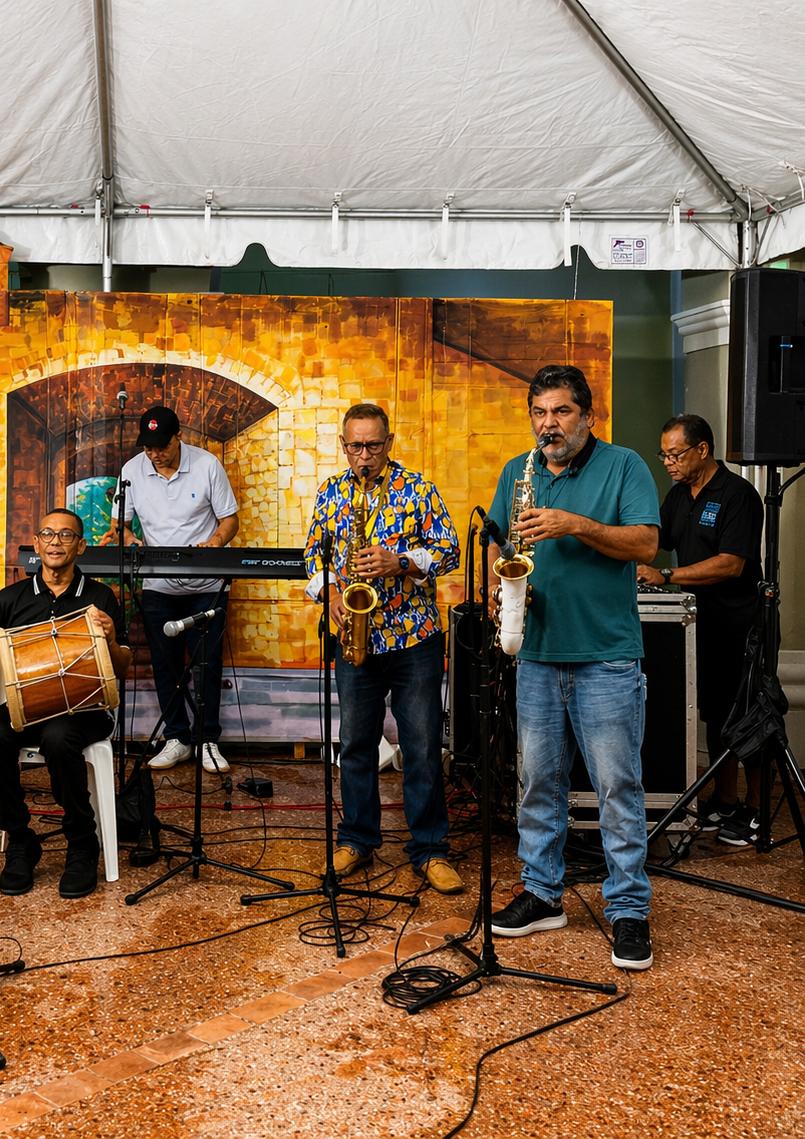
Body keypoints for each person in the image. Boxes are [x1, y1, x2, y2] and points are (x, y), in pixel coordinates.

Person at [487, 365, 660, 970]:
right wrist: (503, 585)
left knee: (617, 787)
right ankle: (541, 894)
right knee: (537, 782)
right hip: (537, 653)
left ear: (588, 415)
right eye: (539, 413)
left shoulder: (625, 465)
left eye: (561, 412)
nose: (548, 425)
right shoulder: (518, 471)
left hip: (606, 655)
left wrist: (575, 525)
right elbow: (500, 542)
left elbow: (645, 544)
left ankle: (629, 909)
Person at [303, 403, 463, 894]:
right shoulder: (332, 492)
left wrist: (402, 562)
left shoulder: (418, 489)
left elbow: (449, 550)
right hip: (356, 638)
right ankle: (357, 839)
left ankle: (430, 849)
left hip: (414, 637)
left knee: (421, 747)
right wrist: (331, 593)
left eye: (373, 445)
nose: (364, 456)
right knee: (356, 745)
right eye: (355, 446)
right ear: (343, 445)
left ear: (389, 443)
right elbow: (312, 556)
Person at [0, 509, 132, 898]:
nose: (56, 542)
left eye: (66, 535)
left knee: (58, 738)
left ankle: (82, 843)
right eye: (48, 534)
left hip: (86, 709)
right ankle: (20, 838)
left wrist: (109, 637)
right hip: (28, 706)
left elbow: (122, 667)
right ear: (36, 544)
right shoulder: (12, 598)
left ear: (81, 546)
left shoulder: (100, 597)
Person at [636, 414, 764, 846]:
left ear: (702, 450)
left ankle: (756, 811)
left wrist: (667, 576)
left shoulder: (737, 495)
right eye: (663, 455)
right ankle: (725, 800)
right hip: (697, 624)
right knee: (716, 714)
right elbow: (655, 542)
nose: (668, 463)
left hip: (740, 625)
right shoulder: (679, 495)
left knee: (747, 717)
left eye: (675, 454)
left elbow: (731, 563)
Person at [104, 405, 239, 774]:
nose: (155, 454)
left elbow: (230, 520)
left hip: (206, 585)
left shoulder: (207, 465)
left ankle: (207, 739)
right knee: (165, 665)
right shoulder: (131, 471)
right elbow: (119, 525)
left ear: (179, 437)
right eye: (148, 447)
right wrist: (129, 538)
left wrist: (215, 542)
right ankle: (177, 737)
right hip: (158, 584)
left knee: (207, 665)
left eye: (162, 446)